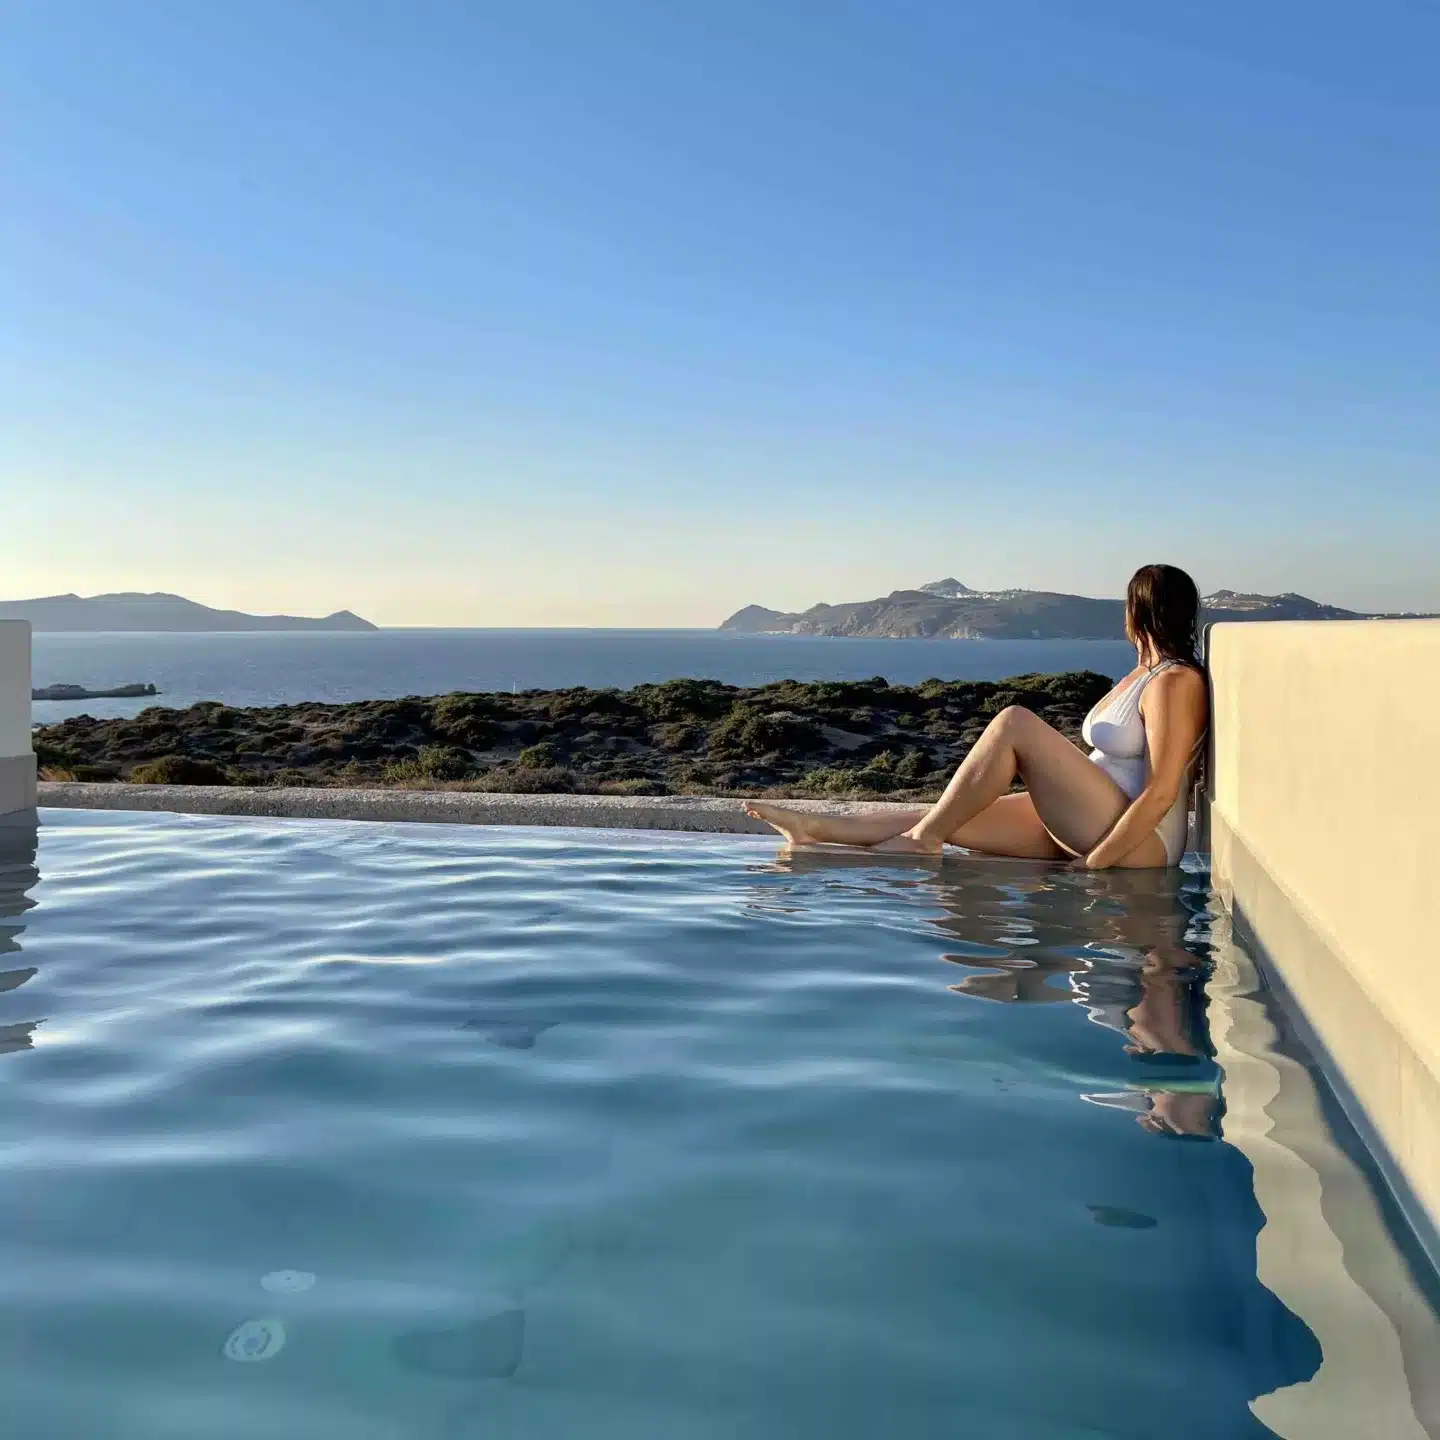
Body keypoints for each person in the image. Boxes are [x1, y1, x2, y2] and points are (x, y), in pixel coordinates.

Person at [745, 563, 1209, 869]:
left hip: (1138, 843)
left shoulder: (1175, 682)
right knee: (949, 815)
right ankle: (813, 829)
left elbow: (1163, 789)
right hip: (1091, 817)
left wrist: (1094, 864)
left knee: (1014, 722)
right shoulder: (1142, 674)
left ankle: (924, 841)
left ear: (1137, 611)